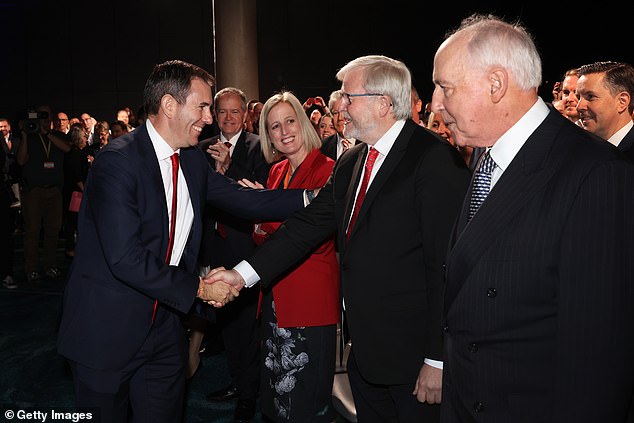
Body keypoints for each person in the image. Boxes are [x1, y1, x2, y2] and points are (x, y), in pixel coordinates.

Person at [206, 55, 471, 422]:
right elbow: (305, 227)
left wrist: (437, 358)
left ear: (383, 102)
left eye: (349, 97)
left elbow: (446, 266)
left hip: (413, 359)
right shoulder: (353, 161)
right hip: (363, 352)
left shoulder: (434, 159)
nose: (340, 106)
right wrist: (242, 275)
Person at [56, 59, 312, 423]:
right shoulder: (116, 163)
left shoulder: (191, 161)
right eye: (203, 106)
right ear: (170, 106)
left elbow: (245, 199)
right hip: (106, 333)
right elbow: (126, 258)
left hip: (165, 330)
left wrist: (314, 197)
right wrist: (200, 289)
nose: (209, 118)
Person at [430, 14, 634, 422]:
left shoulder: (595, 174)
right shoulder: (485, 157)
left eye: (445, 88)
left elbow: (596, 358)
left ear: (496, 85)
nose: (436, 105)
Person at [247, 91, 339, 422]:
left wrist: (263, 208)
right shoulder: (276, 172)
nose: (284, 132)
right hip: (274, 296)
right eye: (274, 127)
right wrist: (264, 214)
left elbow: (305, 231)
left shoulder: (328, 169)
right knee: (275, 398)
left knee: (304, 402)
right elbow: (258, 235)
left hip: (309, 302)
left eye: (290, 121)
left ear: (302, 122)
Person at [195, 86, 271, 423]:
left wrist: (229, 167)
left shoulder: (260, 147)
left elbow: (261, 196)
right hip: (213, 247)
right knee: (225, 322)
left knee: (246, 325)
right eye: (222, 112)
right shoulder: (200, 148)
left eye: (234, 112)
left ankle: (248, 394)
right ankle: (237, 381)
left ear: (246, 115)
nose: (228, 118)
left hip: (246, 250)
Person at [16, 105, 71, 282]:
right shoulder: (30, 138)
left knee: (53, 230)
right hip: (34, 191)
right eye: (41, 118)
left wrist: (47, 133)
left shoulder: (57, 136)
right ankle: (31, 268)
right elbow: (21, 160)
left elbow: (67, 149)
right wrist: (25, 134)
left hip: (54, 190)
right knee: (32, 230)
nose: (45, 121)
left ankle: (50, 265)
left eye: (47, 118)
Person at [576, 61, 634, 161]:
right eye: (578, 97)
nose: (579, 106)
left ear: (622, 101)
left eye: (590, 97)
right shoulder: (579, 151)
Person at [62, 125, 90, 257]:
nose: (86, 139)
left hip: (76, 192)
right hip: (75, 194)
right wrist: (84, 190)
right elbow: (76, 174)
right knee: (74, 221)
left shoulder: (78, 152)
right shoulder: (74, 153)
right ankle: (71, 248)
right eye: (84, 136)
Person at [319, 90, 354, 161]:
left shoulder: (367, 142)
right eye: (335, 113)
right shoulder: (322, 147)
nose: (340, 118)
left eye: (344, 112)